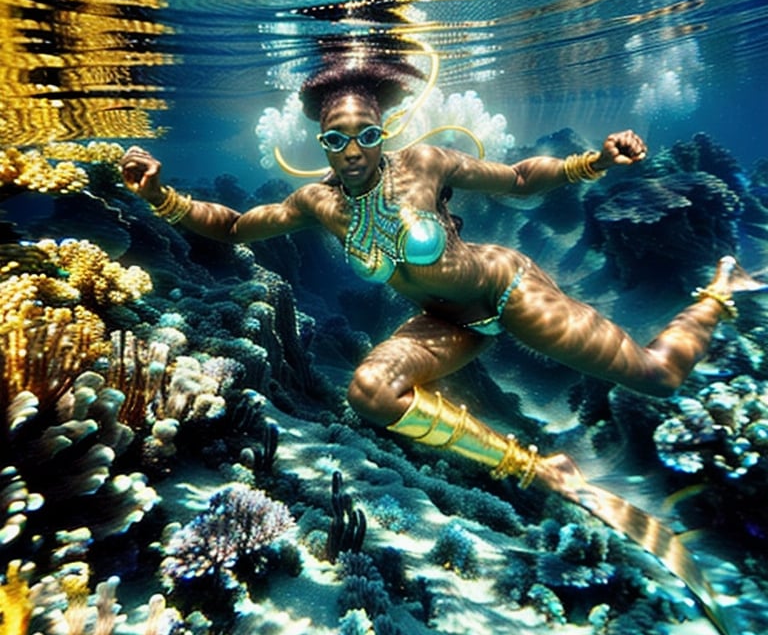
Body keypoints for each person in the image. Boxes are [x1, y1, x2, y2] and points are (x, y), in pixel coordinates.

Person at [120, 59, 751, 489]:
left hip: (507, 290)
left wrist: (593, 162)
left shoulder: (423, 163)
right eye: (336, 141)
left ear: (384, 130)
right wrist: (159, 196)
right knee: (369, 392)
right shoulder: (318, 202)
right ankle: (531, 467)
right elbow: (233, 227)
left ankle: (720, 291)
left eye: (365, 134)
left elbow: (520, 180)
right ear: (320, 143)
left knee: (658, 376)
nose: (354, 151)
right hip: (444, 321)